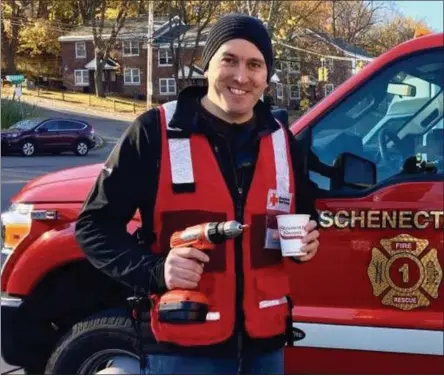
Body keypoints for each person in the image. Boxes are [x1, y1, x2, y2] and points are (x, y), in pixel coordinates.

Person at [75, 13, 320, 375]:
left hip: (265, 348)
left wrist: (309, 241)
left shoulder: (283, 140)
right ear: (207, 66)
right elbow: (93, 227)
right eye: (229, 60)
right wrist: (157, 270)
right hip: (182, 350)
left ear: (266, 76)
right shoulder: (154, 132)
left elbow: (305, 215)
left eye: (254, 64)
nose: (241, 77)